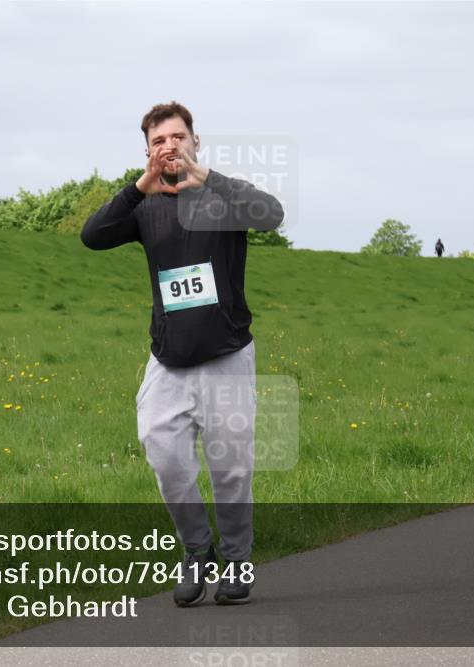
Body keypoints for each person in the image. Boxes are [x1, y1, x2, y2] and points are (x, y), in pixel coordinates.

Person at [80, 101, 285, 605]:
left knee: (230, 466)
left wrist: (207, 176)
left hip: (226, 355)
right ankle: (198, 552)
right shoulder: (145, 207)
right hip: (168, 359)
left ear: (195, 142)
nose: (168, 146)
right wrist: (137, 189)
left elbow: (273, 215)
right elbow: (92, 237)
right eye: (157, 142)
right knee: (164, 453)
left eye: (176, 137)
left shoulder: (224, 197)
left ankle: (237, 562)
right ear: (147, 152)